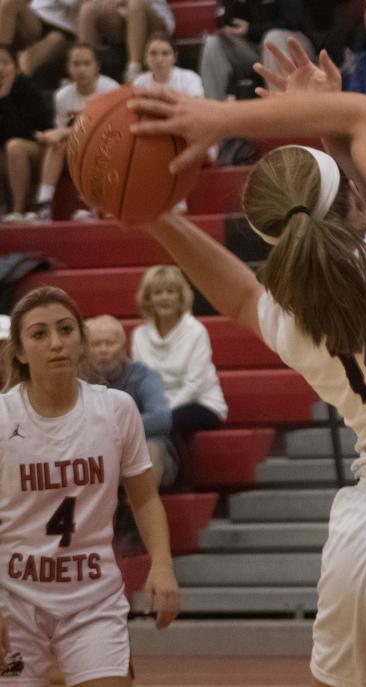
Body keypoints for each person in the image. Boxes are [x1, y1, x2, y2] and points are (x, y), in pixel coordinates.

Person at [127, 42, 366, 686]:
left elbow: (235, 296)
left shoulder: (295, 313)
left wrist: (159, 219)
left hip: (359, 536)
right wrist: (220, 118)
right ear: (352, 198)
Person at [0, 286, 179, 686]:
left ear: (81, 340)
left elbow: (145, 496)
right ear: (21, 352)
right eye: (40, 334)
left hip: (92, 598)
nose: (56, 343)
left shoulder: (116, 409)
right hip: (14, 600)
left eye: (66, 330)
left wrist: (162, 566)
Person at [131, 265, 227, 455]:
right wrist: (156, 412)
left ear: (181, 297)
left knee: (157, 425)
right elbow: (143, 383)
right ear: (149, 299)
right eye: (158, 292)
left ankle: (176, 474)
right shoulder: (139, 335)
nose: (165, 297)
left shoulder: (196, 331)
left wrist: (160, 414)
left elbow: (194, 385)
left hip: (200, 403)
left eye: (171, 291)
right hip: (156, 408)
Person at [85, 315, 176, 487]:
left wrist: (111, 432)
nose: (103, 350)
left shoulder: (145, 376)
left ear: (123, 347)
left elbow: (162, 417)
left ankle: (135, 511)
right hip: (98, 450)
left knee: (151, 447)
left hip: (146, 449)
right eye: (96, 344)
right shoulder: (80, 381)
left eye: (110, 343)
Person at [32, 42, 118, 222]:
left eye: (86, 64)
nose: (81, 70)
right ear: (68, 68)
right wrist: (54, 136)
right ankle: (44, 203)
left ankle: (97, 205)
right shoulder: (62, 96)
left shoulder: (110, 89)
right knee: (59, 144)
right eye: (76, 64)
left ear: (97, 67)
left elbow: (109, 128)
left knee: (92, 143)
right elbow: (62, 130)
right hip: (76, 150)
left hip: (112, 145)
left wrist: (63, 133)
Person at [200, 0, 312, 101]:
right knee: (213, 42)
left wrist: (251, 29)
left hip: (292, 42)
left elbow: (294, 21)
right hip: (251, 48)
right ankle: (214, 113)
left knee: (272, 39)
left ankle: (282, 111)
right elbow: (228, 21)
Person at [0, 43, 51, 222]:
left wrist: (4, 98)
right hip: (6, 153)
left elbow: (25, 133)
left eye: (5, 63)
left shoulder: (27, 89)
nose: (0, 68)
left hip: (40, 147)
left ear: (16, 68)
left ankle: (18, 210)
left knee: (14, 146)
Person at [76, 0, 175, 83]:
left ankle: (134, 70)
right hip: (119, 17)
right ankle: (86, 70)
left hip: (152, 15)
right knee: (87, 9)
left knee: (135, 4)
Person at [0, 0, 80, 76]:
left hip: (63, 29)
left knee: (26, 60)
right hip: (37, 17)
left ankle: (13, 83)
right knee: (8, 3)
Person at [132, 33, 203, 96]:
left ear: (175, 57)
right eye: (153, 53)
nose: (159, 60)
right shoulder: (139, 82)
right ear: (145, 57)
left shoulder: (190, 78)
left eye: (165, 53)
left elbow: (198, 104)